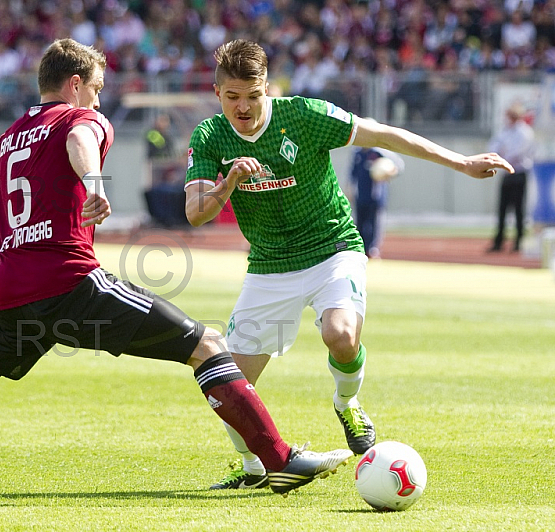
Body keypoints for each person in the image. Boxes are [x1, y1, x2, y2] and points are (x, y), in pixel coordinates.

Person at [0, 38, 353, 499]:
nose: (98, 98)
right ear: (75, 83)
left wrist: (3, 228)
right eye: (95, 87)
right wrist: (94, 185)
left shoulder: (9, 138)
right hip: (71, 285)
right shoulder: (80, 117)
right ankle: (277, 459)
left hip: (8, 297)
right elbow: (79, 139)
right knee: (207, 346)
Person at [183, 39, 512, 490]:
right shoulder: (208, 136)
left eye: (253, 95)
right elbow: (195, 212)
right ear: (218, 94)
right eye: (234, 96)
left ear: (268, 90)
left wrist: (460, 161)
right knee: (231, 386)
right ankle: (255, 469)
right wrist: (231, 181)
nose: (244, 106)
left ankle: (347, 402)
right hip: (269, 265)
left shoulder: (302, 115)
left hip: (332, 248)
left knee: (339, 334)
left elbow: (381, 134)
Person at [487, 102, 535, 253]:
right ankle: (499, 241)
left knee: (518, 209)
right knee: (502, 208)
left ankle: (518, 241)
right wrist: (500, 154)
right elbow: (494, 146)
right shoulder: (505, 131)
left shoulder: (525, 132)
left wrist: (503, 155)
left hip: (519, 173)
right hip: (506, 174)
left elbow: (517, 152)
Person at [349, 145, 405, 258]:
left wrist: (390, 172)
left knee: (374, 223)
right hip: (361, 196)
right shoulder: (358, 153)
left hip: (376, 197)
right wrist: (350, 189)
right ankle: (360, 248)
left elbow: (398, 166)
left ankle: (373, 249)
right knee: (360, 223)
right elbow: (352, 174)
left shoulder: (379, 152)